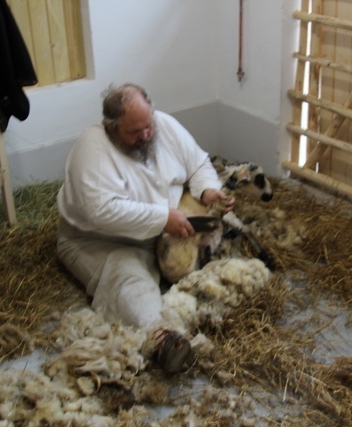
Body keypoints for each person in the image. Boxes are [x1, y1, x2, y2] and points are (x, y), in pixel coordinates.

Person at [56, 83, 232, 372]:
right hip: (101, 241)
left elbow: (199, 164)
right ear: (112, 128)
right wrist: (163, 218)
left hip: (163, 232)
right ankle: (163, 337)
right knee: (128, 280)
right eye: (134, 132)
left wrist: (208, 190)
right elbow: (101, 210)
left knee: (213, 260)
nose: (146, 135)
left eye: (148, 126)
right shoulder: (92, 147)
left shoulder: (164, 126)